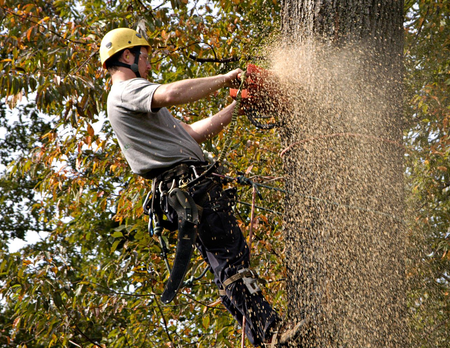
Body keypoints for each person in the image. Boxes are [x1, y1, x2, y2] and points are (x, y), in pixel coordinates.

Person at [99, 28, 305, 347]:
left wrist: (239, 107)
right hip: (189, 186)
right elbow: (168, 93)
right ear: (128, 56)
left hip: (188, 189)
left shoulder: (135, 102)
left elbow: (192, 133)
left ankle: (264, 338)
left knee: (226, 265)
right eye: (146, 55)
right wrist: (224, 79)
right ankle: (272, 333)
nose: (150, 64)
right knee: (231, 261)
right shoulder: (127, 91)